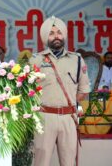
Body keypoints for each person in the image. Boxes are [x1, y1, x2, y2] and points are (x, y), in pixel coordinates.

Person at [29, 16, 90, 166]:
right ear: (45, 37)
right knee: (41, 162)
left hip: (68, 118)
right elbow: (28, 92)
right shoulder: (35, 60)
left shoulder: (77, 59)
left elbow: (83, 90)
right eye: (51, 33)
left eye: (59, 32)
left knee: (69, 161)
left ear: (64, 35)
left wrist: (66, 105)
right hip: (44, 117)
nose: (56, 36)